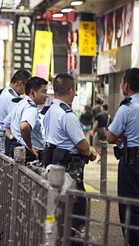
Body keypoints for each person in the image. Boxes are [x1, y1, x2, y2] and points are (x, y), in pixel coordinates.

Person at [42, 73, 96, 234]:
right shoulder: (67, 114)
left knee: (54, 202)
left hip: (53, 162)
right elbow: (82, 144)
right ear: (71, 91)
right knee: (76, 204)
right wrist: (89, 153)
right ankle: (75, 238)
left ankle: (53, 235)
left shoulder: (50, 110)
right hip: (70, 167)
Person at [106, 68, 139, 246]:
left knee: (128, 208)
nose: (120, 85)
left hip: (131, 163)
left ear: (126, 84)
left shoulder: (126, 108)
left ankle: (135, 243)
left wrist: (120, 137)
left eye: (122, 82)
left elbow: (110, 137)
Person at [4, 76, 48, 163]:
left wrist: (13, 138)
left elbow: (4, 124)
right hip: (28, 154)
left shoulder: (21, 103)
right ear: (33, 93)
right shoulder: (31, 108)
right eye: (44, 91)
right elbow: (24, 127)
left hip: (17, 149)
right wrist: (30, 147)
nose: (46, 95)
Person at [0, 69, 31, 155]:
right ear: (20, 83)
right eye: (27, 86)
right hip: (7, 139)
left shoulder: (5, 92)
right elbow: (17, 124)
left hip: (1, 136)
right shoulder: (12, 99)